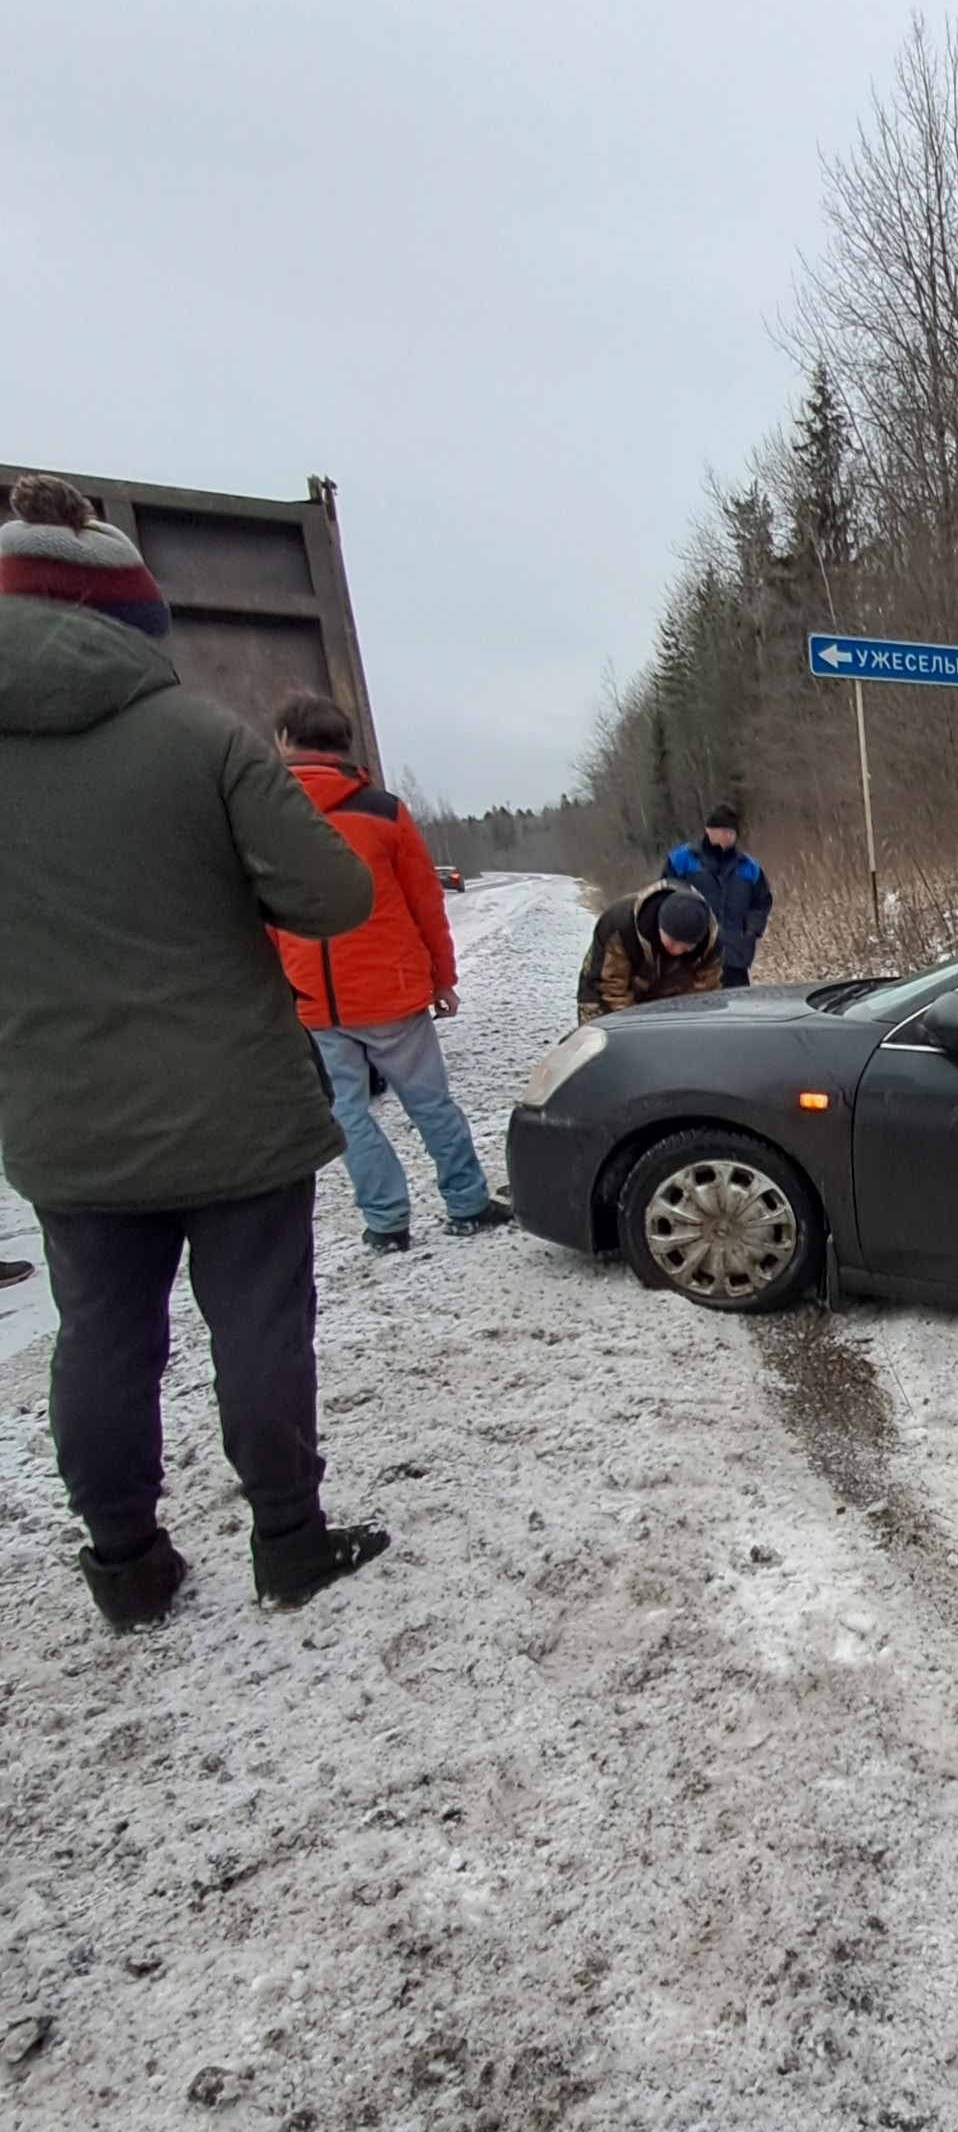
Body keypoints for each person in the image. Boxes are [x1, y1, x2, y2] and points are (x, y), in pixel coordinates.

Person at [0, 473, 388, 1629]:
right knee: (259, 1323)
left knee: (103, 1338)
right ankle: (289, 1540)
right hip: (233, 1112)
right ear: (134, 618)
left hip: (66, 1122)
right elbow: (331, 895)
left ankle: (125, 1564)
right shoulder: (201, 737)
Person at [270, 693, 510, 1254]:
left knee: (347, 1115)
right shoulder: (382, 810)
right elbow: (425, 900)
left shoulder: (269, 815)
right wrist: (442, 978)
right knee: (431, 1105)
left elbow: (260, 910)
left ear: (285, 740)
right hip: (391, 993)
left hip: (313, 999)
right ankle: (467, 1203)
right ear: (344, 745)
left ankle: (385, 1223)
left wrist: (280, 981)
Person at [662, 802, 772, 989]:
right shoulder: (681, 859)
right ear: (708, 830)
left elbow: (761, 903)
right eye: (723, 831)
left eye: (732, 833)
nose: (728, 836)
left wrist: (751, 933)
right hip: (690, 958)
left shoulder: (749, 867)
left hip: (734, 958)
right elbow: (664, 897)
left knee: (736, 1014)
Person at [576, 881, 723, 1020]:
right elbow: (612, 988)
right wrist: (639, 1028)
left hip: (668, 998)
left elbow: (704, 994)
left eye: (687, 947)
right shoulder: (619, 926)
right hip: (605, 996)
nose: (677, 951)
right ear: (659, 926)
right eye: (672, 942)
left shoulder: (710, 944)